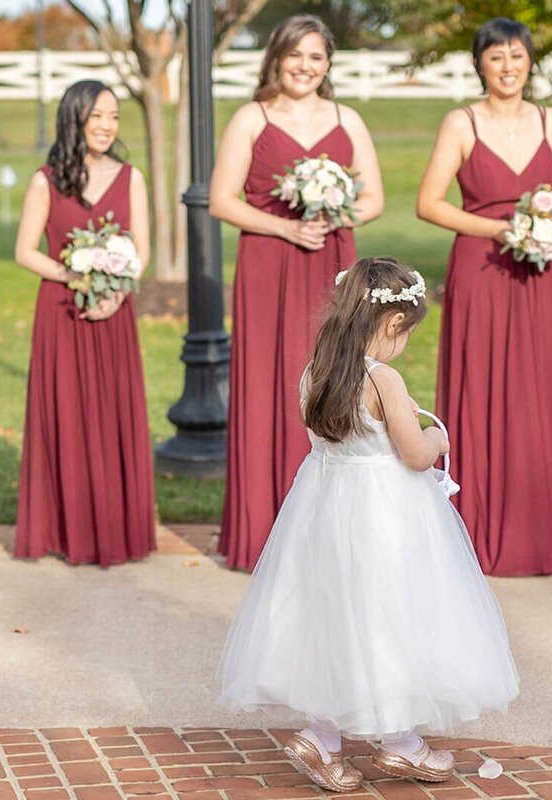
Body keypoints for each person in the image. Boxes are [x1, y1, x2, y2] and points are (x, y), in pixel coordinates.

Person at [217, 257, 519, 791]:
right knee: (388, 615)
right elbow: (416, 455)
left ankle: (324, 737)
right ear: (394, 323)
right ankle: (400, 742)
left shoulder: (317, 369)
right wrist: (441, 440)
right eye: (407, 332)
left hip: (323, 502)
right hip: (384, 513)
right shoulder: (383, 379)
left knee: (338, 616)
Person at [211, 13, 384, 570]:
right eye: (295, 55)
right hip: (268, 262)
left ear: (327, 63)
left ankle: (326, 533)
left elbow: (375, 198)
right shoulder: (251, 119)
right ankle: (261, 531)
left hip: (332, 263)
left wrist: (334, 210)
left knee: (330, 378)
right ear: (276, 58)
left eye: (316, 56)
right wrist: (286, 226)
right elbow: (222, 200)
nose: (305, 66)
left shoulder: (347, 119)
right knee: (270, 380)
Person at [415, 17, 552, 576]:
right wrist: (501, 229)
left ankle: (543, 537)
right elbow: (430, 203)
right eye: (496, 57)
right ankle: (478, 534)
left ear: (530, 60)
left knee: (539, 391)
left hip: (539, 274)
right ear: (479, 64)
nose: (508, 66)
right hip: (482, 269)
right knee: (482, 388)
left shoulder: (550, 121)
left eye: (516, 55)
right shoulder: (460, 123)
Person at [12, 79, 155, 567]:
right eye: (96, 115)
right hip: (61, 314)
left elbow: (141, 250)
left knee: (113, 413)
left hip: (115, 314)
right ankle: (64, 529)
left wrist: (115, 294)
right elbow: (25, 252)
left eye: (113, 116)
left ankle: (118, 532)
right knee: (66, 414)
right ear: (73, 118)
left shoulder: (130, 176)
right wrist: (74, 275)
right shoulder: (44, 180)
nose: (106, 125)